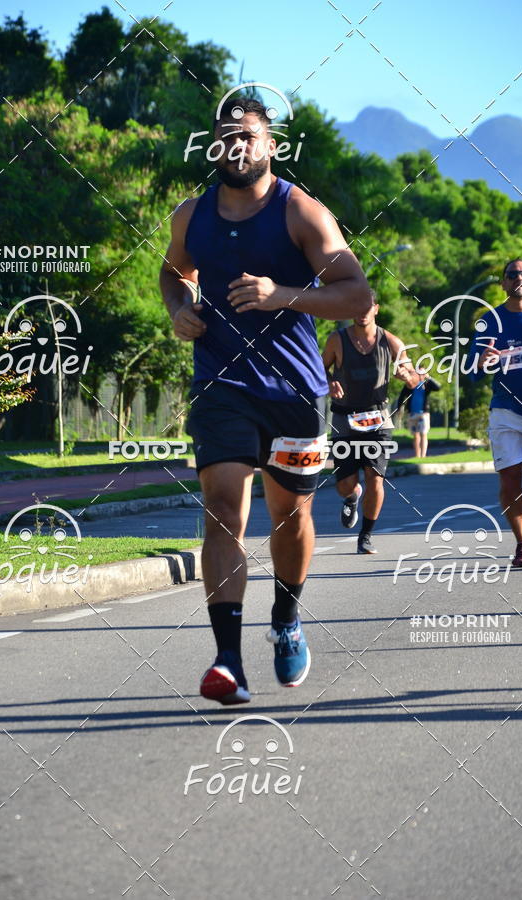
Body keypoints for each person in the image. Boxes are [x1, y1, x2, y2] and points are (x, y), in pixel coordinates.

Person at [160, 97, 372, 705]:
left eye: (248, 136)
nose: (237, 146)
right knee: (224, 505)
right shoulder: (191, 216)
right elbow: (173, 273)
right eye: (225, 136)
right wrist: (179, 310)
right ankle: (228, 660)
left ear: (270, 144)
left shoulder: (299, 211)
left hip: (295, 394)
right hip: (222, 388)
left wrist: (281, 293)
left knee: (291, 516)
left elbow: (355, 294)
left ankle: (286, 615)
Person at [321, 293, 420, 554]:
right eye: (356, 305)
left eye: (367, 307)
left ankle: (365, 536)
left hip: (378, 420)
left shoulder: (391, 342)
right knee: (345, 484)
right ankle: (352, 497)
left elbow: (413, 378)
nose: (362, 311)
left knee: (375, 478)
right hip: (344, 420)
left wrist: (408, 376)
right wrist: (329, 381)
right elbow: (319, 370)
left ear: (376, 308)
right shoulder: (337, 340)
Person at [469, 258, 522, 567]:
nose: (518, 277)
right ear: (503, 283)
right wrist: (482, 361)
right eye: (511, 274)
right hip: (504, 410)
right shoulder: (489, 321)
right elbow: (473, 371)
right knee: (509, 481)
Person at [397, 369, 441, 457]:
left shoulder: (427, 384)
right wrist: (399, 409)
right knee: (416, 435)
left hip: (423, 414)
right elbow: (402, 396)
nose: (420, 375)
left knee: (424, 434)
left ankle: (423, 455)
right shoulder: (410, 384)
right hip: (412, 414)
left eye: (422, 373)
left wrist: (429, 378)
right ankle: (417, 455)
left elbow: (438, 387)